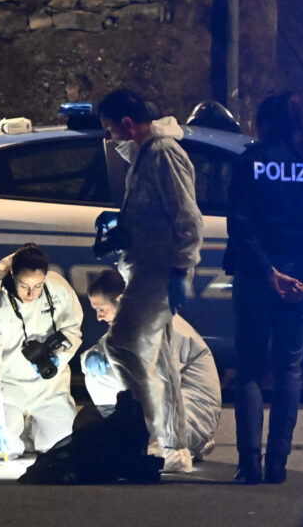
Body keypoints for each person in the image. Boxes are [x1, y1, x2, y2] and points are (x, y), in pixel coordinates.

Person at [224, 93, 303, 484]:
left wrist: (268, 272)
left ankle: (249, 463)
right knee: (289, 369)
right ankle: (278, 462)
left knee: (249, 368)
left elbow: (240, 224)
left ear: (266, 122)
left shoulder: (251, 162)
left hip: (256, 277)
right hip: (300, 281)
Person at [95, 89, 203, 473]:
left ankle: (145, 435)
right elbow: (150, 210)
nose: (109, 137)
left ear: (128, 124)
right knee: (161, 363)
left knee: (121, 344)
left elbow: (187, 217)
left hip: (157, 271)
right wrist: (121, 228)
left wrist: (180, 271)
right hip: (148, 267)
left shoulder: (162, 154)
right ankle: (175, 449)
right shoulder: (145, 154)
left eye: (110, 129)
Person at [82, 269, 222, 461]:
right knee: (98, 372)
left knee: (134, 449)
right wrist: (90, 357)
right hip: (169, 410)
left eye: (102, 308)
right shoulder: (132, 320)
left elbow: (161, 384)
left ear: (121, 299)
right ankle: (134, 436)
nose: (99, 316)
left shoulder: (162, 324)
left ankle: (181, 446)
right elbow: (102, 348)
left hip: (191, 414)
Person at [0, 244, 83, 459]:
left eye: (38, 286)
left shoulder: (59, 289)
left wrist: (59, 358)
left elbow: (73, 330)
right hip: (8, 386)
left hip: (48, 386)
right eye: (24, 286)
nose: (31, 293)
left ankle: (30, 428)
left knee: (60, 447)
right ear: (13, 275)